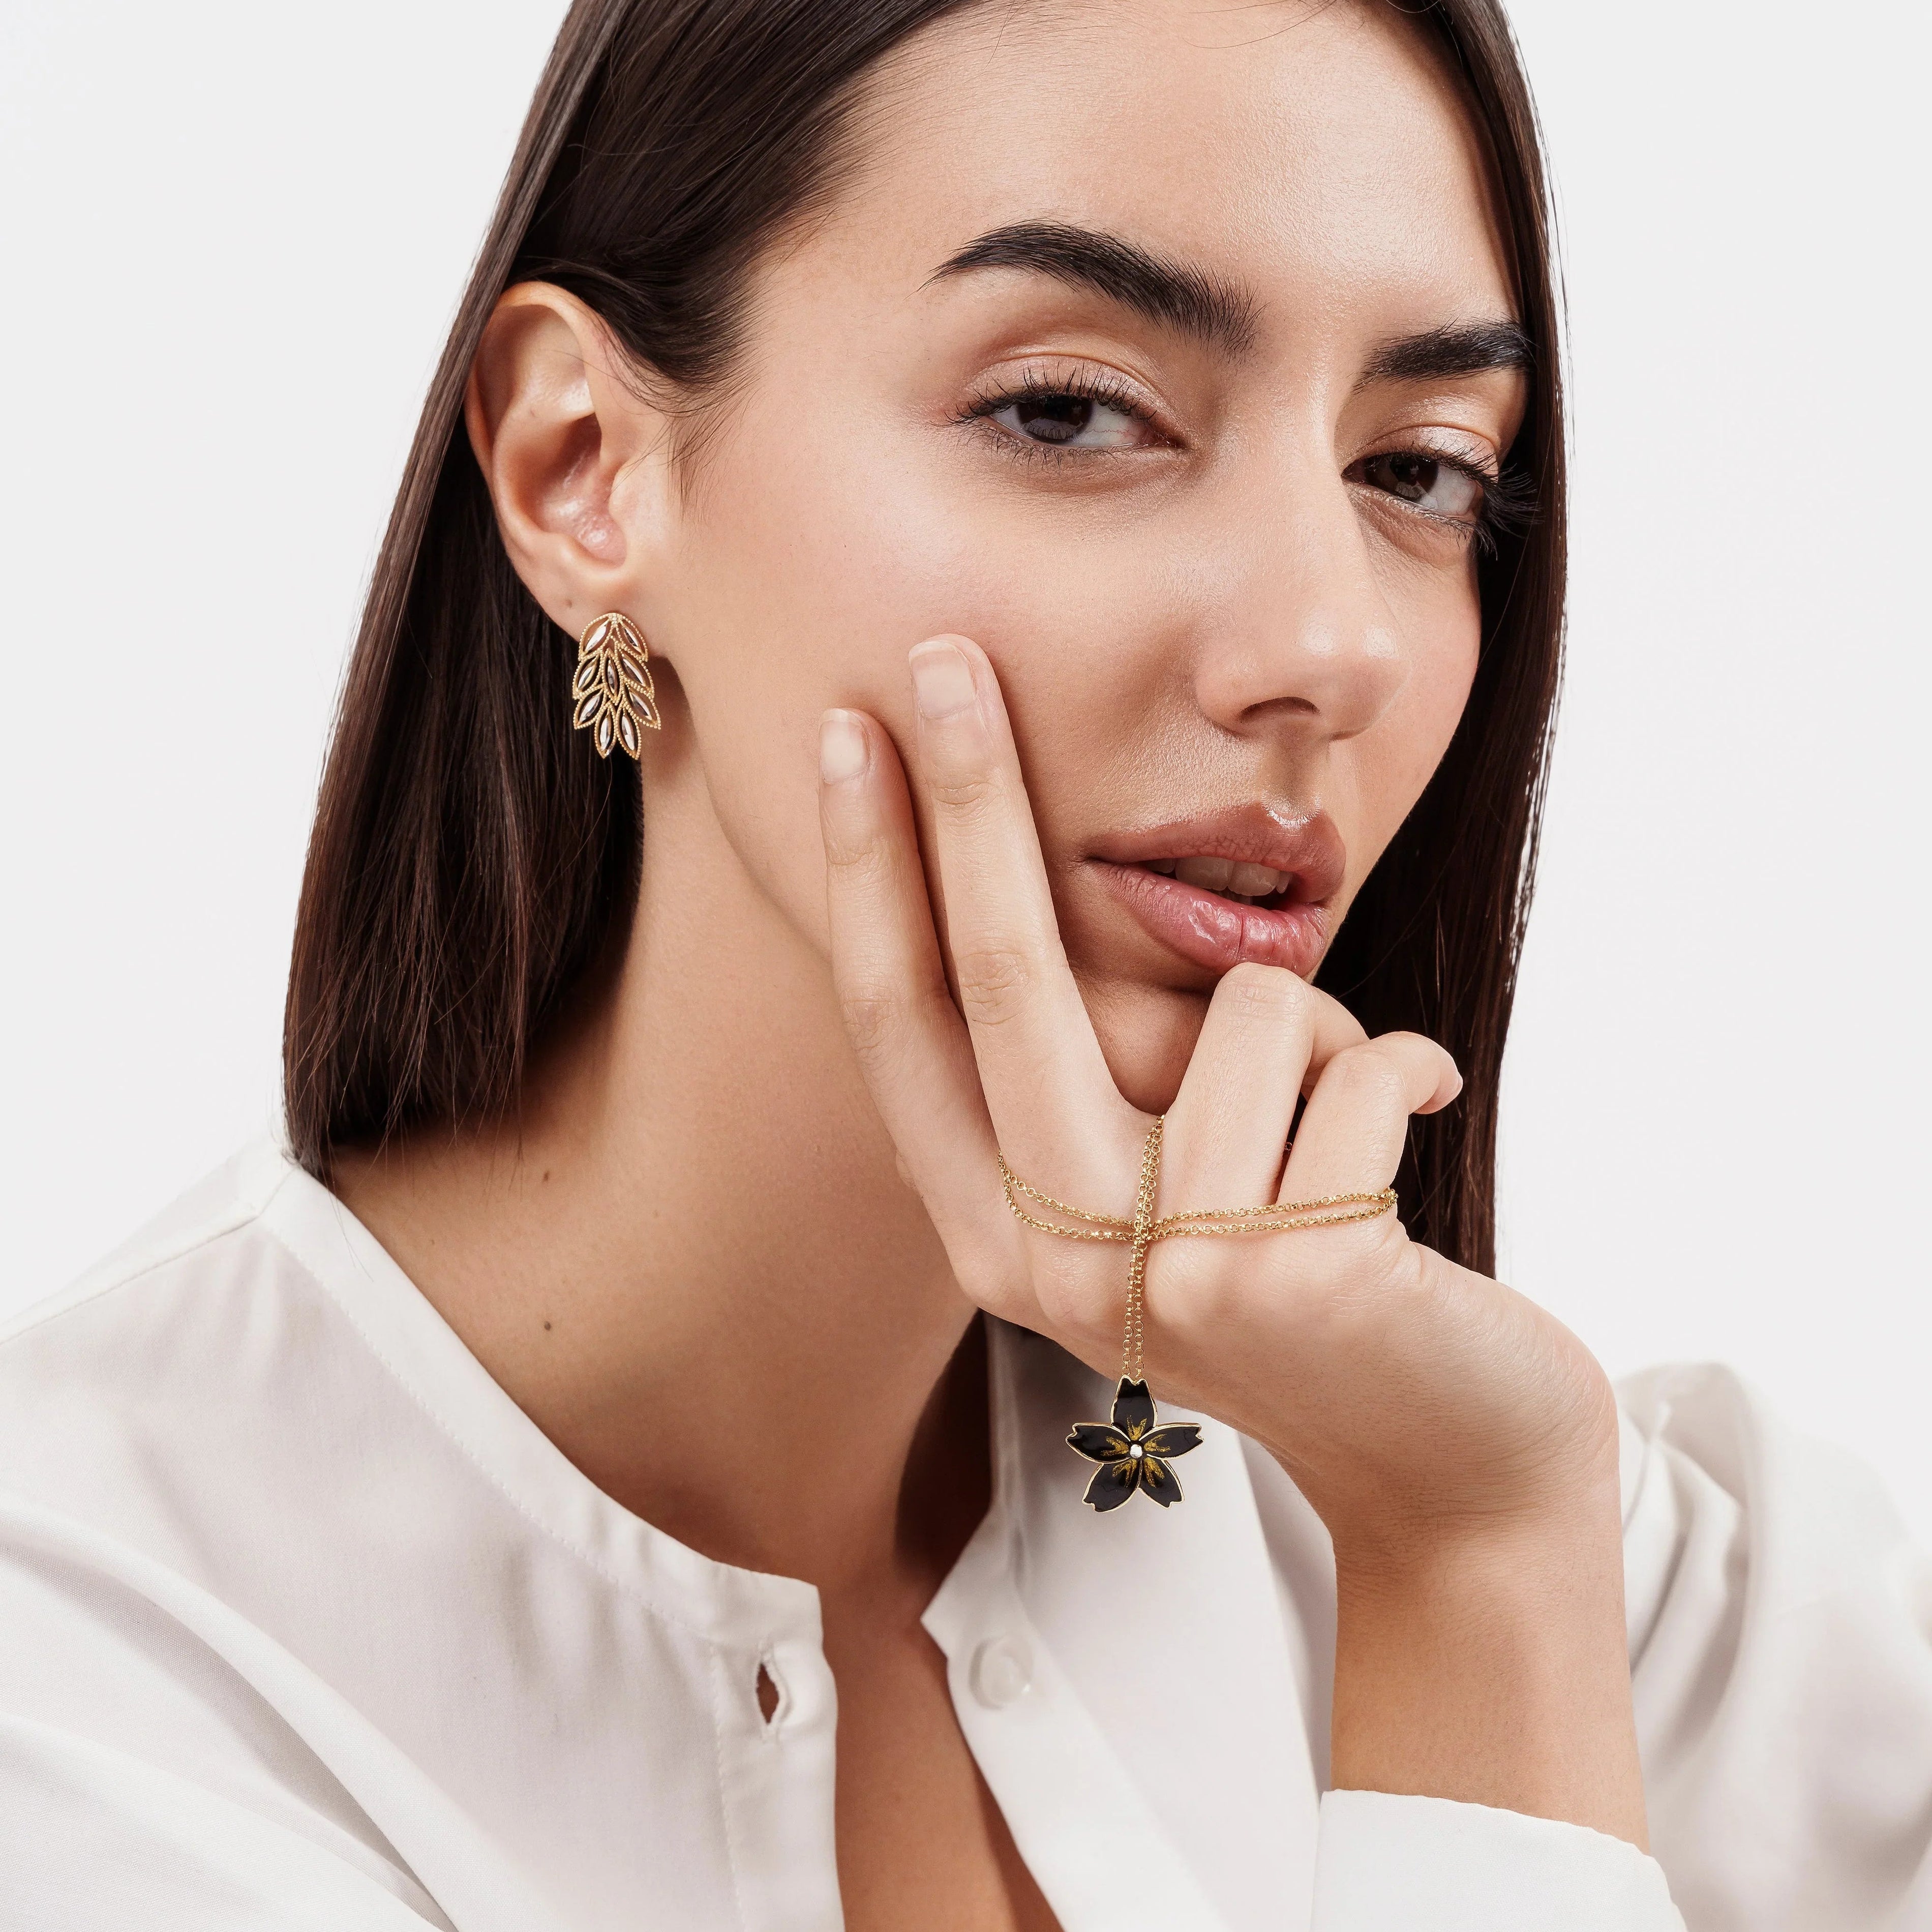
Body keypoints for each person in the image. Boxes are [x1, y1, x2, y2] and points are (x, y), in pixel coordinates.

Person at [1, 0, 1926, 1926]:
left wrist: (1480, 1543)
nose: (1327, 642)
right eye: (1071, 411)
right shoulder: (92, 1680)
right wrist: (1461, 1576)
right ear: (584, 466)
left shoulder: (1419, 1478)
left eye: (1419, 469)